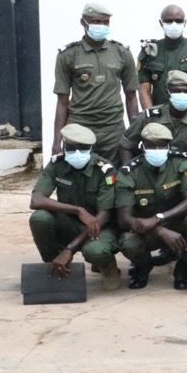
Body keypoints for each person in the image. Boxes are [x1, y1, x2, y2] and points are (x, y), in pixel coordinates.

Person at [28, 123, 121, 291]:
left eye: (83, 148)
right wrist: (77, 210)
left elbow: (104, 216)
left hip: (99, 227)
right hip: (70, 222)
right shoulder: (57, 164)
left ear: (91, 148)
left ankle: (106, 266)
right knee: (39, 218)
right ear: (64, 146)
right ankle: (55, 262)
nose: (77, 153)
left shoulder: (105, 170)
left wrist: (70, 249)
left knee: (96, 252)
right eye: (71, 148)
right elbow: (36, 200)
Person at [115, 123, 187, 290]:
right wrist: (159, 230)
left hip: (175, 223)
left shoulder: (181, 163)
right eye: (151, 146)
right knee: (128, 242)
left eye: (162, 145)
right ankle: (143, 266)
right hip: (144, 228)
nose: (157, 150)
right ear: (142, 146)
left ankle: (183, 267)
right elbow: (124, 219)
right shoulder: (129, 172)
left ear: (169, 146)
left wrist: (159, 219)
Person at [52, 3, 139, 165]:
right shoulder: (68, 55)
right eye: (96, 22)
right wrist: (56, 142)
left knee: (114, 180)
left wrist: (135, 134)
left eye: (105, 22)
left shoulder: (122, 53)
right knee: (79, 180)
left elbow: (132, 97)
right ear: (83, 22)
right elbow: (62, 103)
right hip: (79, 128)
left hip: (113, 130)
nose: (101, 26)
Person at [120, 70, 187, 173]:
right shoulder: (149, 117)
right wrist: (130, 173)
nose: (182, 94)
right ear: (168, 92)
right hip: (152, 174)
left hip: (186, 174)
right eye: (177, 91)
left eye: (186, 91)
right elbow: (126, 145)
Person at [137, 4, 187, 111]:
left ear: (185, 23)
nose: (174, 24)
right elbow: (143, 90)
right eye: (169, 21)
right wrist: (151, 116)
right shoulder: (150, 52)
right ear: (161, 23)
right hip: (159, 117)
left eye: (178, 21)